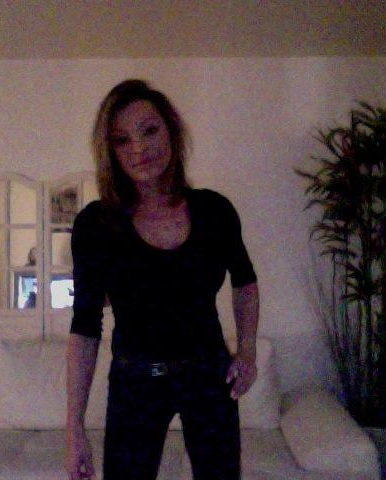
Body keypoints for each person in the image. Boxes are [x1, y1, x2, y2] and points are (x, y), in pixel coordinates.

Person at [66, 79, 260, 480]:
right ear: (110, 151)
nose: (139, 148)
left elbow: (245, 281)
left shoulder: (215, 210)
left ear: (171, 130)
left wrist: (247, 350)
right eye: (122, 139)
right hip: (135, 382)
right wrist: (74, 428)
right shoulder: (96, 225)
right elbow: (84, 326)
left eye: (149, 130)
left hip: (208, 376)